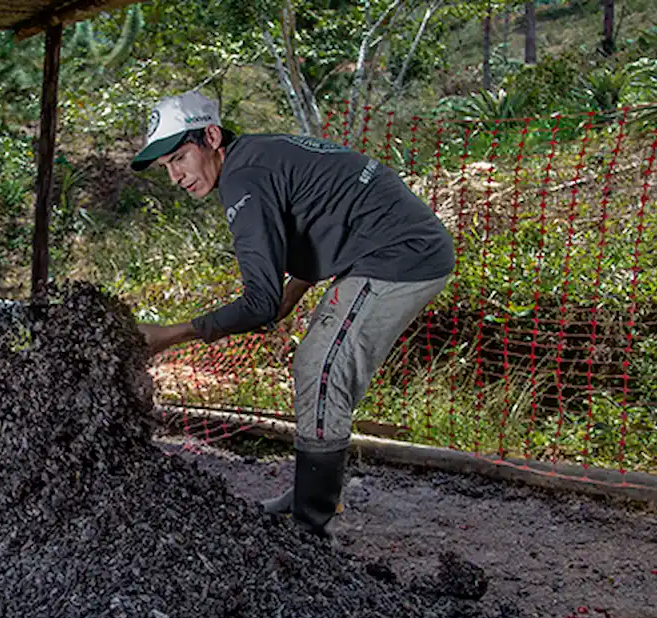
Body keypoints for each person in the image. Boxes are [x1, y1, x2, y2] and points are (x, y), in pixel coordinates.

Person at [132, 90, 454, 538]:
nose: (176, 176)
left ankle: (310, 525)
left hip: (399, 256)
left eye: (180, 158)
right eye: (166, 167)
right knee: (321, 366)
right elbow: (321, 208)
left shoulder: (243, 178)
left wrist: (171, 333)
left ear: (210, 135)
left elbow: (261, 302)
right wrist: (295, 289)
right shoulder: (259, 154)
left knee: (320, 368)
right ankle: (308, 494)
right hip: (390, 246)